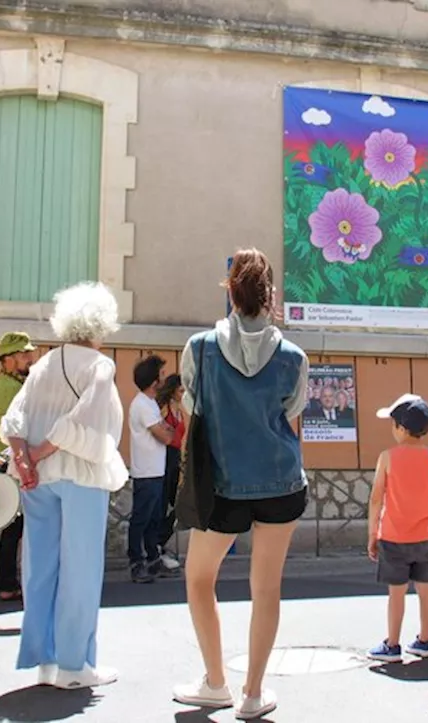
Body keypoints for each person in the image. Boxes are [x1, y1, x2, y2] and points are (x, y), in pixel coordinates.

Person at [172, 248, 309, 720]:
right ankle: (252, 694)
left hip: (221, 486)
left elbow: (194, 410)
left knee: (198, 580)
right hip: (281, 482)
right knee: (266, 588)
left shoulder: (199, 348)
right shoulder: (294, 356)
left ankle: (215, 682)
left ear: (229, 292)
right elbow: (291, 418)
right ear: (270, 296)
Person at [0, 281, 128, 690]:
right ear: (100, 324)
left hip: (37, 480)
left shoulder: (43, 364)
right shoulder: (99, 365)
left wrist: (24, 457)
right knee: (81, 568)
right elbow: (83, 421)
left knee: (39, 566)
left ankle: (45, 660)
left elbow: (14, 419)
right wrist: (36, 454)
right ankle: (75, 665)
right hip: (80, 475)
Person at [366, 394, 428, 664]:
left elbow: (376, 498)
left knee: (396, 593)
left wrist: (372, 534)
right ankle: (425, 640)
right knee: (426, 590)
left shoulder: (387, 457)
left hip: (394, 536)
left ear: (401, 427)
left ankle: (393, 644)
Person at [0, 331, 38, 602]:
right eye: (23, 354)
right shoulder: (8, 389)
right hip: (9, 464)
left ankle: (9, 581)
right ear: (7, 360)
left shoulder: (11, 385)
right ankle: (8, 582)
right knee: (16, 525)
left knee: (16, 526)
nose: (30, 359)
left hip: (10, 463)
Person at [127, 354, 179, 583]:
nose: (164, 379)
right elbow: (165, 436)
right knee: (141, 518)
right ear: (153, 380)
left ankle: (153, 559)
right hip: (146, 471)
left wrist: (166, 429)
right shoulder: (142, 405)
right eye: (161, 374)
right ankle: (136, 562)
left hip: (156, 469)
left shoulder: (150, 404)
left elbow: (167, 430)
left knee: (154, 518)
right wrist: (166, 430)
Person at [156, 374, 187, 557]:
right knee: (163, 501)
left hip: (179, 457)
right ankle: (157, 542)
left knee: (180, 504)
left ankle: (161, 538)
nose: (183, 394)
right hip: (167, 456)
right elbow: (159, 427)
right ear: (173, 391)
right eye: (180, 391)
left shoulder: (182, 408)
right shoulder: (165, 407)